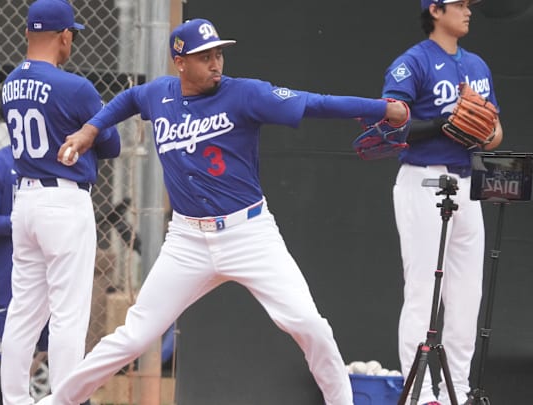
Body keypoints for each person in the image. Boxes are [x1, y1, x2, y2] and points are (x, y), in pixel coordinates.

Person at [40, 18, 409, 405]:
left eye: (218, 53)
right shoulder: (159, 94)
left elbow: (315, 102)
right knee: (134, 335)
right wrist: (91, 129)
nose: (216, 62)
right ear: (180, 62)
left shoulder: (246, 94)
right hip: (187, 240)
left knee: (308, 325)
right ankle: (58, 402)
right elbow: (129, 100)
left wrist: (381, 109)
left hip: (248, 233)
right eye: (204, 56)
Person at [379, 1, 503, 404]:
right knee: (422, 292)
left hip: (468, 184)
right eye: (460, 4)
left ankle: (457, 393)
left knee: (468, 295)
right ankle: (421, 394)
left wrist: (484, 131)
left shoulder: (478, 66)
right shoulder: (412, 62)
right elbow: (391, 126)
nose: (468, 10)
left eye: (470, 5)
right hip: (424, 179)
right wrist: (442, 123)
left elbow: (495, 133)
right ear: (435, 9)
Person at [0, 0, 121, 404]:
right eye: (72, 35)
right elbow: (112, 145)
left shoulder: (10, 82)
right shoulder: (76, 86)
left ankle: (15, 400)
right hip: (64, 202)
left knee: (24, 312)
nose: (72, 42)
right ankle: (67, 400)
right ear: (64, 36)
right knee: (68, 314)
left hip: (25, 201)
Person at [0, 145, 51, 404]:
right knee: (11, 356)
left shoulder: (56, 163)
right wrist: (28, 222)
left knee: (64, 351)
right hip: (11, 277)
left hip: (55, 272)